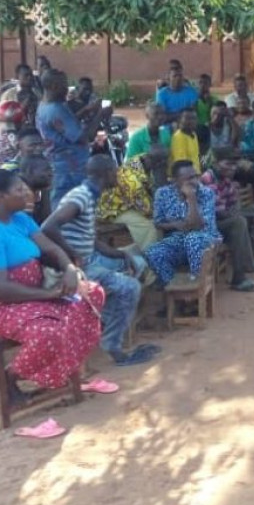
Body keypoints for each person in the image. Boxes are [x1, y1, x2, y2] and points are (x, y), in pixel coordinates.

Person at [0, 168, 105, 399]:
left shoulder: (20, 219)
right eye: (19, 189)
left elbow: (51, 248)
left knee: (91, 293)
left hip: (31, 295)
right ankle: (9, 377)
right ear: (0, 198)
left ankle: (60, 368)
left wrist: (69, 269)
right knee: (48, 333)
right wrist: (49, 294)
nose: (26, 193)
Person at [41, 156, 160, 366]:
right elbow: (48, 227)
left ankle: (107, 317)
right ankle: (113, 345)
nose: (118, 175)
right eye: (115, 171)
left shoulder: (91, 195)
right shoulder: (81, 197)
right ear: (106, 174)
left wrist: (121, 255)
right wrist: (72, 256)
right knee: (130, 287)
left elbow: (90, 240)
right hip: (73, 271)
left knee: (137, 261)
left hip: (89, 261)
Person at [36, 69, 110, 207]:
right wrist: (100, 114)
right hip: (70, 170)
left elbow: (65, 126)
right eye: (64, 85)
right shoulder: (56, 109)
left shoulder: (44, 106)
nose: (67, 89)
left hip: (61, 166)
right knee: (73, 209)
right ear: (54, 86)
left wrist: (87, 110)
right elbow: (84, 138)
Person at [146, 160, 219, 285]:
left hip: (206, 237)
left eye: (196, 176)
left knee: (192, 239)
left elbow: (197, 226)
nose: (195, 181)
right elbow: (158, 222)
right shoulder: (163, 193)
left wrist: (191, 198)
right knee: (153, 252)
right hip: (178, 238)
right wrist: (175, 225)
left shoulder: (206, 193)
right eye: (189, 178)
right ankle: (174, 288)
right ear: (175, 180)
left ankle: (197, 287)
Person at [209, 159, 254, 291]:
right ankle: (239, 278)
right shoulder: (208, 179)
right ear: (216, 163)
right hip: (211, 222)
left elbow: (233, 203)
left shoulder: (226, 178)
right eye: (228, 163)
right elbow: (218, 213)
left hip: (225, 215)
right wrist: (237, 213)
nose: (232, 168)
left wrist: (237, 206)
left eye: (233, 164)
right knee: (239, 223)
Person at [98, 145, 169, 250]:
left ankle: (158, 248)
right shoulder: (133, 182)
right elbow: (146, 211)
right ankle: (150, 254)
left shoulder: (141, 159)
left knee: (157, 219)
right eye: (164, 163)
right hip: (111, 210)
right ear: (159, 164)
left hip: (126, 201)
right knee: (147, 223)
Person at [0, 64, 40, 134]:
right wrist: (23, 107)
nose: (29, 77)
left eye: (31, 75)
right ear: (17, 77)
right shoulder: (9, 95)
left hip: (35, 132)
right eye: (26, 75)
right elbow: (4, 118)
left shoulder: (37, 94)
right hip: (14, 133)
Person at [19, 155, 55, 224]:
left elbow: (46, 220)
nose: (51, 174)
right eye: (46, 170)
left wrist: (45, 193)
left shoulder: (39, 190)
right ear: (29, 171)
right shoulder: (19, 193)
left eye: (51, 170)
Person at [195, 74, 215, 155]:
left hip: (210, 127)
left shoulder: (214, 99)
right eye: (200, 83)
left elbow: (214, 114)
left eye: (205, 83)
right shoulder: (194, 99)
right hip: (197, 127)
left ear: (210, 84)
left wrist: (209, 102)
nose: (203, 85)